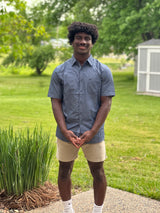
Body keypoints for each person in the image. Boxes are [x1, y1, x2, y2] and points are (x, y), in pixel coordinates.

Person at [48, 22, 115, 213]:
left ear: (92, 42)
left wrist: (92, 131)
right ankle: (68, 210)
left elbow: (106, 103)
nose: (83, 41)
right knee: (64, 171)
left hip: (93, 133)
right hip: (66, 133)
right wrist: (64, 130)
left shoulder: (103, 71)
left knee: (98, 173)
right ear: (72, 41)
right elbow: (56, 102)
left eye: (87, 38)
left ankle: (97, 211)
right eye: (79, 38)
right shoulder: (59, 72)